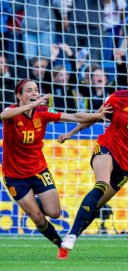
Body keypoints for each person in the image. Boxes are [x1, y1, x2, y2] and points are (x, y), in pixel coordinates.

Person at [57, 63, 128, 255]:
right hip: (107, 147)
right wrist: (71, 133)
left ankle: (69, 242)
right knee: (102, 184)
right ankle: (71, 235)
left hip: (127, 163)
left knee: (97, 205)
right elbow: (95, 117)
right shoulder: (116, 98)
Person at [1, 79, 111, 259]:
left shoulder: (43, 113)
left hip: (38, 170)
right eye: (29, 91)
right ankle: (60, 245)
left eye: (36, 90)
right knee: (37, 217)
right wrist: (34, 104)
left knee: (54, 213)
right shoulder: (11, 112)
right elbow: (3, 116)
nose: (34, 93)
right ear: (19, 96)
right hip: (14, 176)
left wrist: (96, 116)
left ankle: (32, 202)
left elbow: (73, 116)